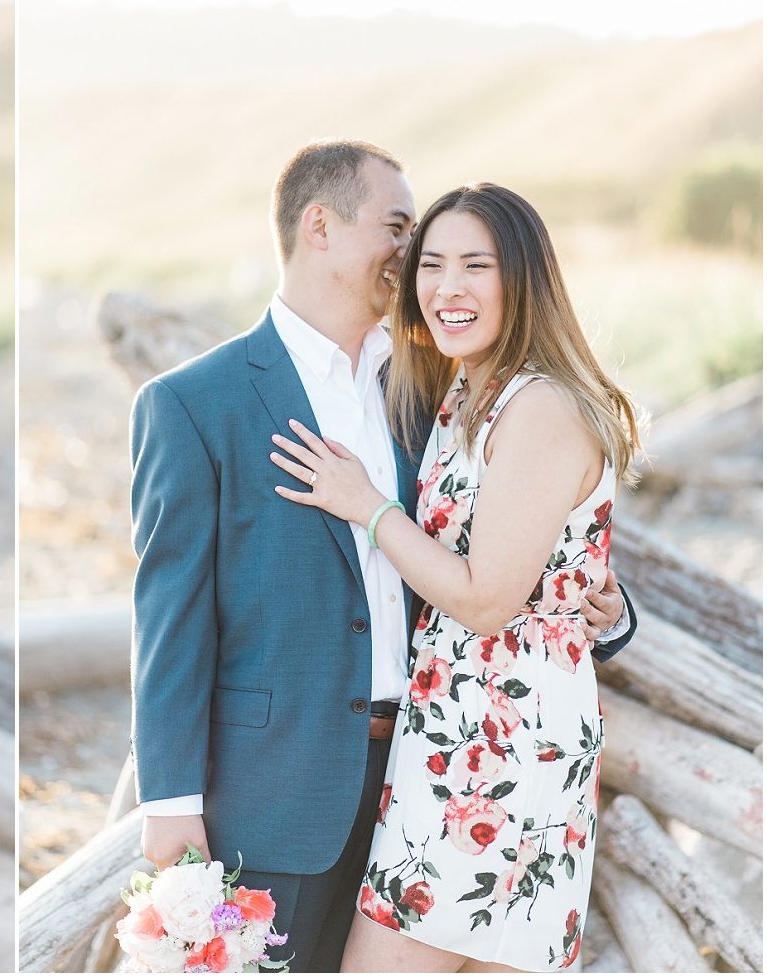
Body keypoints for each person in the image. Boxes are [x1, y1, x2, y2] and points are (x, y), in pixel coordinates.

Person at [127, 140, 636, 972]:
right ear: (319, 227)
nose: (414, 262)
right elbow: (169, 618)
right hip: (276, 788)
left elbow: (519, 533)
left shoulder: (434, 386)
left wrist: (608, 606)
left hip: (434, 764)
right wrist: (171, 803)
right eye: (402, 230)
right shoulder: (194, 403)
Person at [272, 183, 640, 972]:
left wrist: (367, 508)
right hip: (455, 728)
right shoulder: (466, 394)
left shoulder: (538, 405)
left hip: (503, 742)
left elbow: (487, 596)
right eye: (430, 264)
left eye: (477, 265)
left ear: (524, 279)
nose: (447, 286)